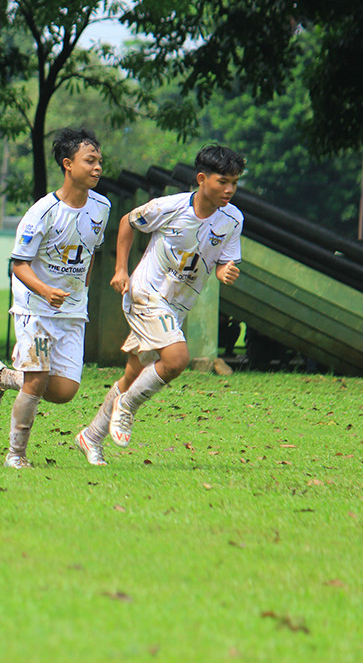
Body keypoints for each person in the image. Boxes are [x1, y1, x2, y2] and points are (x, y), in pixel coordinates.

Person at [77, 144, 245, 462]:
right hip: (145, 293)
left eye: (234, 183)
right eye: (222, 181)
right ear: (201, 179)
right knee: (177, 358)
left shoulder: (233, 220)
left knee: (132, 374)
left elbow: (224, 260)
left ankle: (91, 436)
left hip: (177, 306)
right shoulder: (170, 207)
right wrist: (121, 270)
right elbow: (128, 221)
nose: (229, 189)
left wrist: (225, 271)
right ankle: (127, 406)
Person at [0, 127, 110, 468]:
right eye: (90, 161)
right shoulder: (42, 212)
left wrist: (80, 288)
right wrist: (45, 290)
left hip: (71, 311)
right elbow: (19, 265)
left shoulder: (102, 207)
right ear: (68, 164)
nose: (98, 168)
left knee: (65, 391)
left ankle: (3, 377)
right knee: (37, 380)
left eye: (100, 161)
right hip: (35, 309)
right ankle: (15, 455)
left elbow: (91, 253)